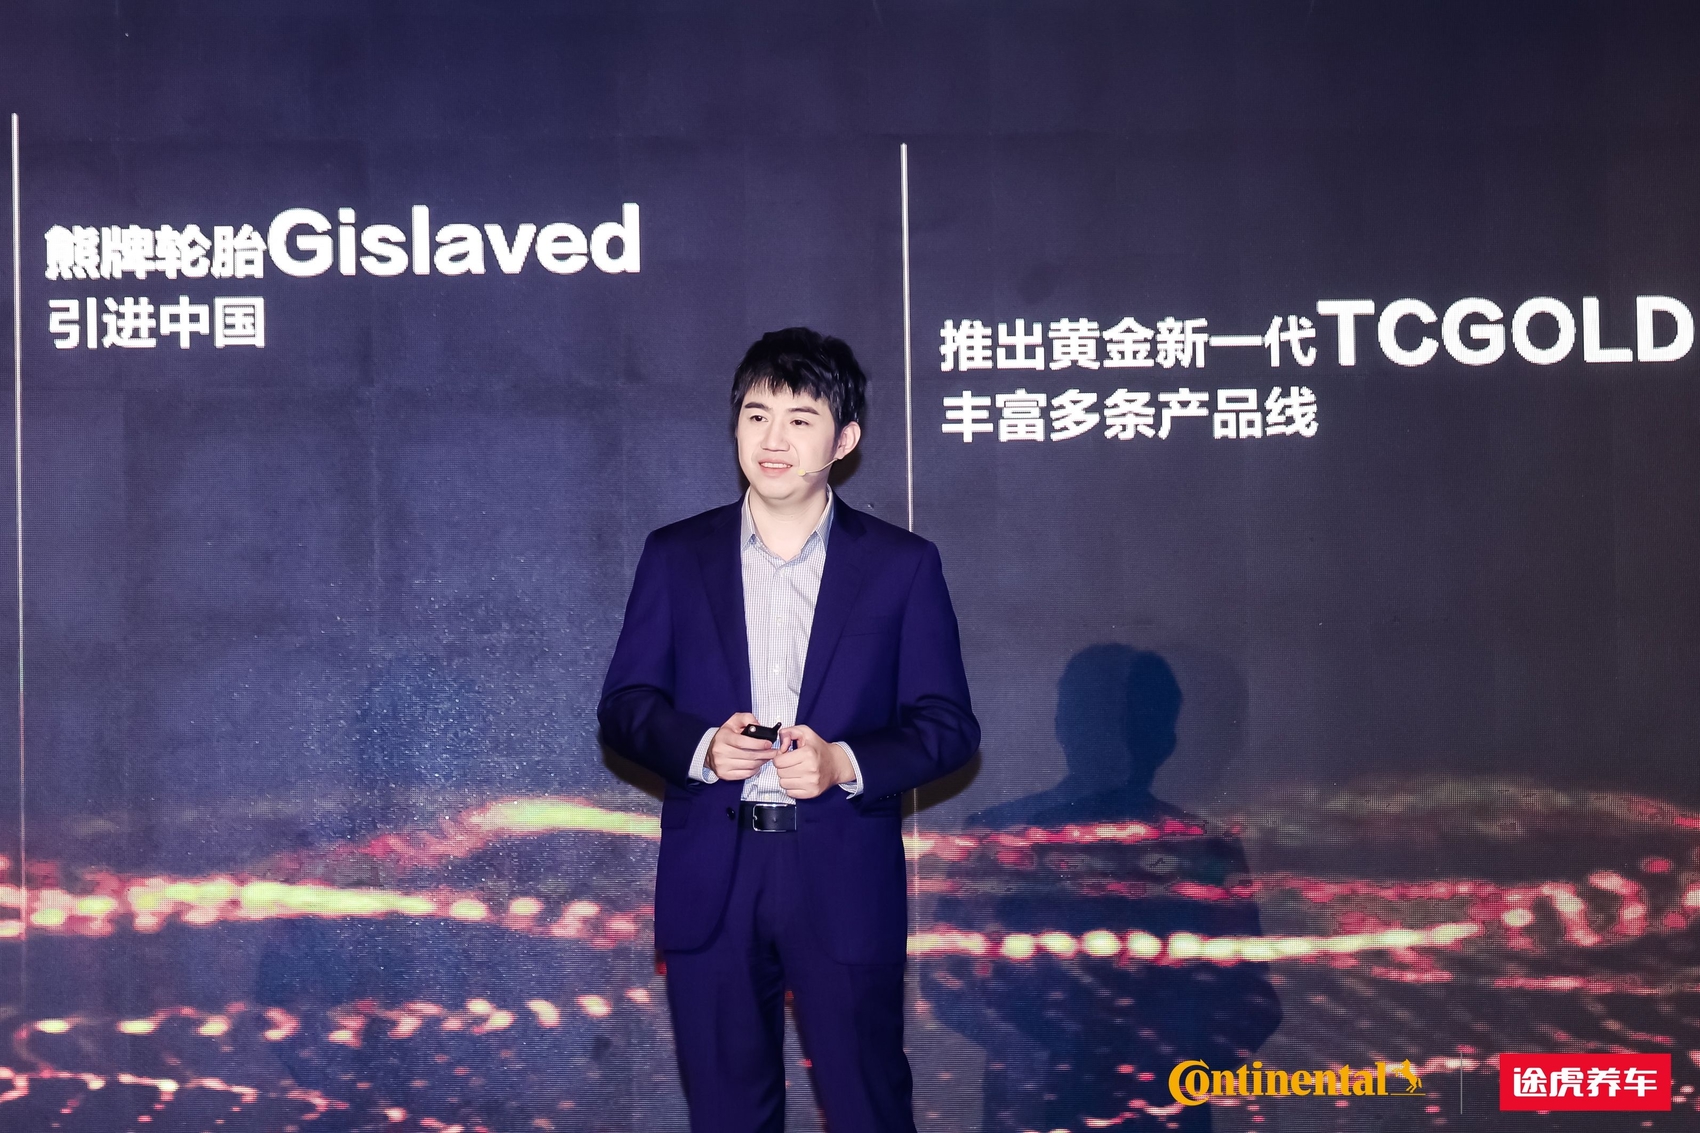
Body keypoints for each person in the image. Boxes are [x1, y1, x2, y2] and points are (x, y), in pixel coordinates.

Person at [597, 327, 981, 1133]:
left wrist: (844, 762)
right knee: (727, 1114)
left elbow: (948, 726)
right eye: (756, 414)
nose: (773, 439)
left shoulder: (902, 565)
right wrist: (703, 747)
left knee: (869, 1105)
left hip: (840, 872)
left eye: (800, 419)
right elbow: (626, 704)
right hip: (715, 875)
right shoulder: (676, 555)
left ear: (844, 440)